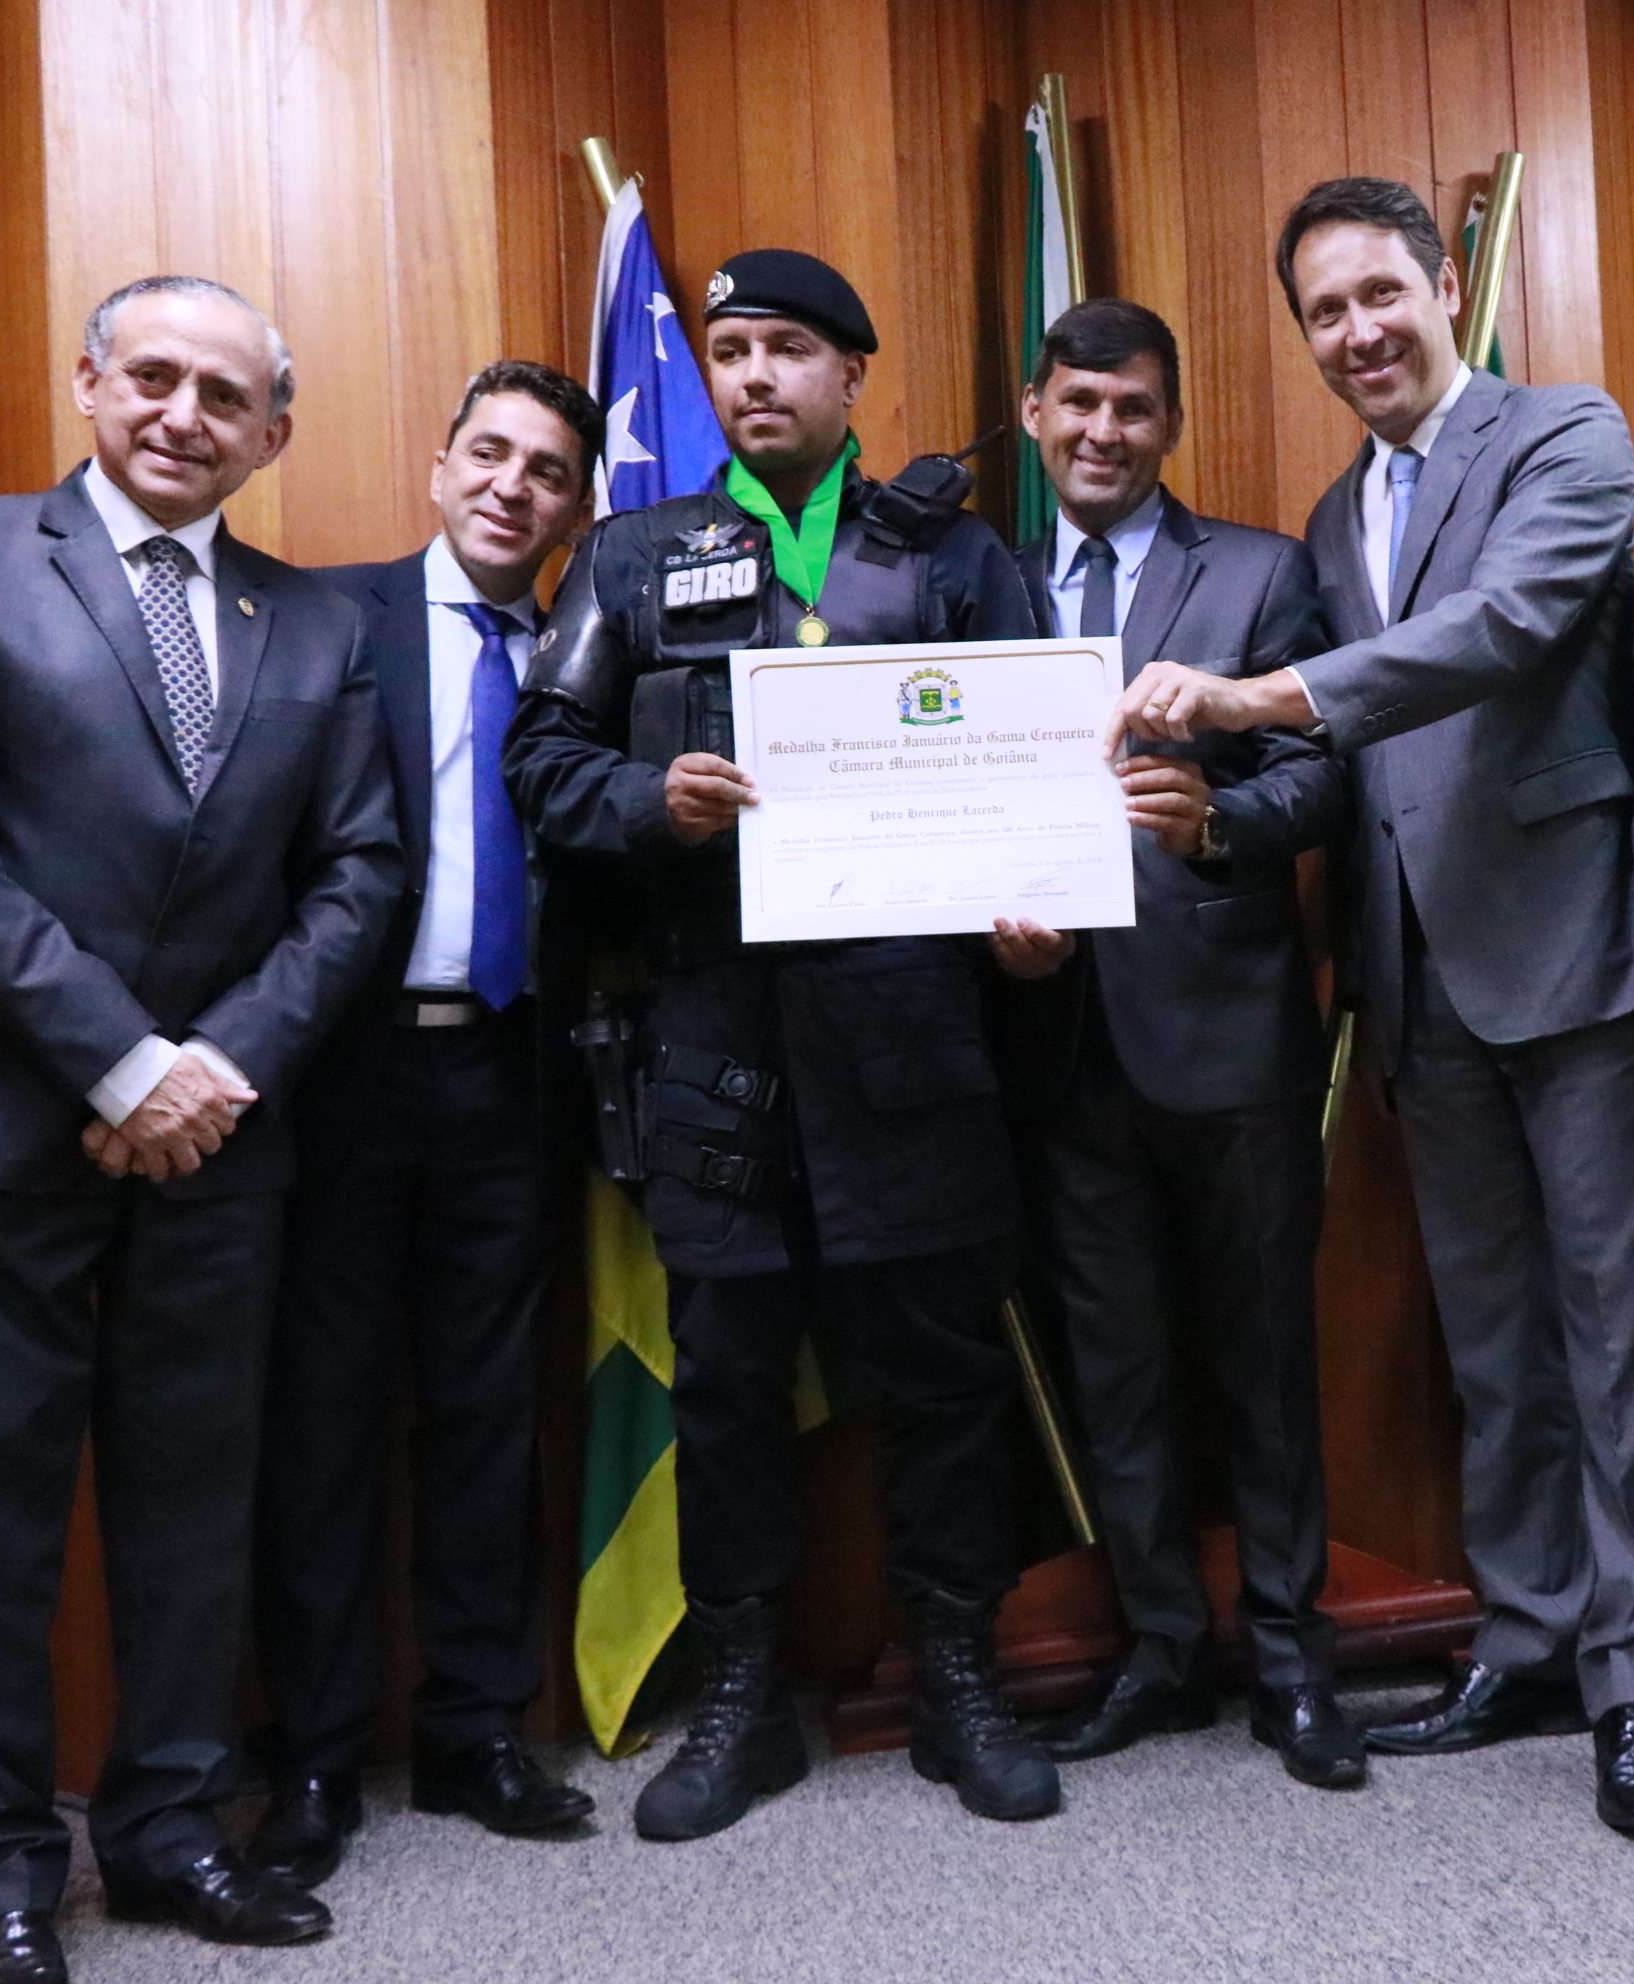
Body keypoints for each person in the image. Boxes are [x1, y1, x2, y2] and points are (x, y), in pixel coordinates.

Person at [1110, 177, 1634, 1839]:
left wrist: (1255, 694)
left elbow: (1505, 628)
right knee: (1496, 1345)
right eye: (1325, 311)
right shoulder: (1330, 516)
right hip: (1412, 983)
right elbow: (1348, 767)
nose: (1358, 331)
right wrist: (1230, 818)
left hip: (1570, 954)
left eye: (1381, 293)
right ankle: (1530, 1640)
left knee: (1621, 1340)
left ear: (1446, 288)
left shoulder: (1564, 434)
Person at [0, 275, 403, 1984]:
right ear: (88, 381)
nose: (183, 413)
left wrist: (214, 1064)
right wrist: (119, 1062)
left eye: (225, 396)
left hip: (222, 1135)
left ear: (272, 435)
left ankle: (168, 1831)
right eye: (153, 375)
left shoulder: (317, 623)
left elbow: (359, 871)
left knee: (191, 1504)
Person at [503, 248, 1059, 1839]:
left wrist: (1036, 912)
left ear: (851, 376)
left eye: (790, 349)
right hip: (714, 1039)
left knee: (945, 1374)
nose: (754, 375)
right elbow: (541, 755)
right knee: (727, 1381)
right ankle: (742, 1696)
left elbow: (1035, 765)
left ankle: (958, 1676)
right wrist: (646, 802)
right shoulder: (632, 554)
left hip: (912, 1037)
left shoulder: (954, 555)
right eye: (731, 349)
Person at [986, 299, 1361, 1788]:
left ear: (1170, 423)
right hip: (1059, 1039)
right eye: (1077, 403)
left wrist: (1218, 823)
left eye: (1133, 407)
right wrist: (993, 926)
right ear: (1034, 411)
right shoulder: (983, 583)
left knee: (1264, 1362)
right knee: (1120, 1369)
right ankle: (1159, 1648)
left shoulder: (1260, 573)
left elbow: (1322, 778)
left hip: (1231, 1038)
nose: (1103, 431)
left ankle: (1293, 1657)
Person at [244, 361, 608, 1890]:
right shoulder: (330, 621)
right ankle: (317, 1755)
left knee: (486, 1413)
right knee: (324, 1421)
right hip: (346, 1074)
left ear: (576, 510)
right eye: (490, 455)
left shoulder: (589, 651)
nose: (513, 486)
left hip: (514, 1077)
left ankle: (474, 1728)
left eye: (547, 471)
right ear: (439, 467)